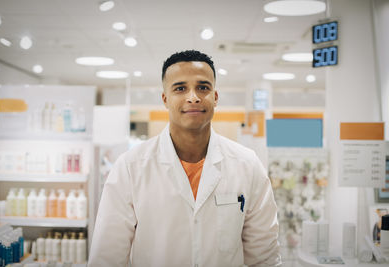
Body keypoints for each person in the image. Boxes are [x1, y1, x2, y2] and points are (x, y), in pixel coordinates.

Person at [88, 50, 281, 267]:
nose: (193, 97)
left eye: (203, 87)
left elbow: (264, 256)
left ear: (215, 97)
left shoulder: (247, 165)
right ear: (165, 99)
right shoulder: (131, 167)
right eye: (180, 88)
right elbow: (107, 257)